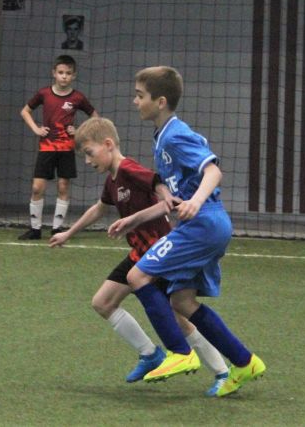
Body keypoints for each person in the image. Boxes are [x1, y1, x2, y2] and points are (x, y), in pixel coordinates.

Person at [108, 66, 265, 396]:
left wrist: (196, 201)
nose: (135, 101)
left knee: (137, 277)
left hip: (202, 224)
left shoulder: (175, 135)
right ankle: (244, 362)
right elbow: (173, 199)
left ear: (160, 101)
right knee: (181, 300)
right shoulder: (164, 136)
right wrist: (134, 219)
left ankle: (180, 353)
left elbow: (213, 172)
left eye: (139, 96)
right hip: (207, 224)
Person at [49, 117, 229, 394]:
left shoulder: (129, 169)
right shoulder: (112, 180)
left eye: (89, 153)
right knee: (103, 302)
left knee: (179, 317)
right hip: (139, 254)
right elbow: (99, 208)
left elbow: (157, 181)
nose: (87, 160)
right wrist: (68, 233)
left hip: (159, 253)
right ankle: (150, 354)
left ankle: (222, 371)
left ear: (108, 144)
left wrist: (166, 196)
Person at [18, 54, 99, 240]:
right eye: (61, 72)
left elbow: (95, 117)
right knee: (37, 188)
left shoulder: (78, 97)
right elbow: (25, 111)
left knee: (63, 187)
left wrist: (79, 131)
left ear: (74, 75)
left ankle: (57, 229)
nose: (64, 76)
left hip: (66, 149)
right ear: (54, 73)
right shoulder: (44, 94)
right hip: (46, 148)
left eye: (68, 73)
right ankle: (35, 229)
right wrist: (36, 129)